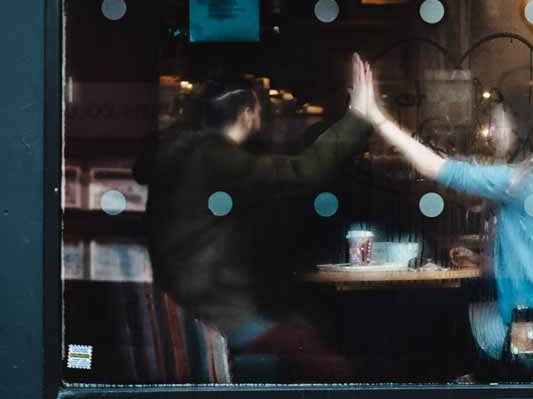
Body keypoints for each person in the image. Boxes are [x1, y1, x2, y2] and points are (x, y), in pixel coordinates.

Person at [133, 53, 379, 381]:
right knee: (333, 367)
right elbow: (302, 173)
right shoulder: (215, 157)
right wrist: (357, 117)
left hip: (189, 301)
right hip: (217, 309)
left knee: (307, 327)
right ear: (248, 112)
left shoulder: (186, 151)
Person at [354, 60, 533, 374]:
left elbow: (438, 169)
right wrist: (483, 260)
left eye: (498, 122)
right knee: (445, 319)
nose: (492, 131)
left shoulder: (517, 181)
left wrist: (376, 117)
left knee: (421, 322)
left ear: (520, 126)